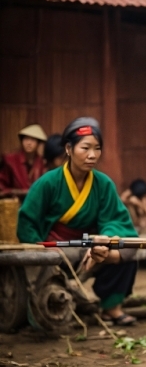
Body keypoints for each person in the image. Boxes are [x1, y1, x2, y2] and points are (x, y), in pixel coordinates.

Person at [17, 117, 138, 326]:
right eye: (85, 148)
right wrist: (41, 250)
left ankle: (112, 308)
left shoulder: (103, 184)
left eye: (97, 148)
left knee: (128, 250)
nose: (92, 155)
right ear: (68, 149)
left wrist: (104, 241)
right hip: (54, 250)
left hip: (90, 247)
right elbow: (28, 222)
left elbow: (116, 220)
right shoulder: (47, 183)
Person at [0, 124, 47, 198]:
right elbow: (2, 185)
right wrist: (13, 192)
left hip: (35, 203)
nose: (29, 143)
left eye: (33, 140)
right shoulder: (10, 160)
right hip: (14, 203)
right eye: (26, 139)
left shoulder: (41, 163)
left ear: (38, 143)